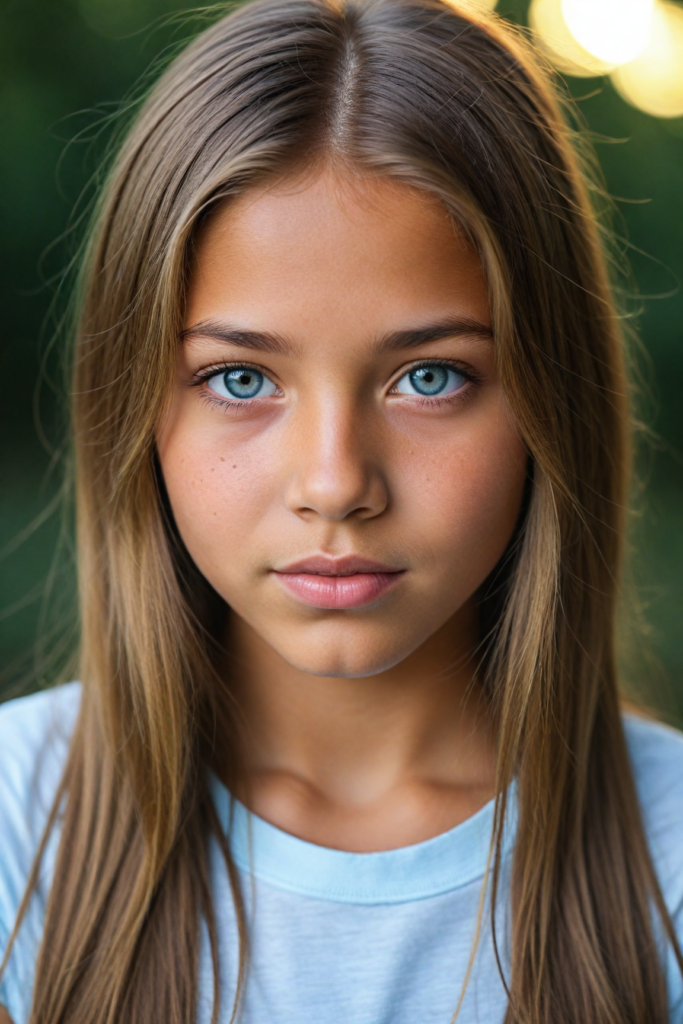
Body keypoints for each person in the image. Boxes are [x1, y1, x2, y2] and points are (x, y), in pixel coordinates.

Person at [1, 0, 682, 1020]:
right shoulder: (18, 836)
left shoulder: (665, 864)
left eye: (427, 377)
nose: (333, 481)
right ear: (133, 408)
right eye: (238, 380)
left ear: (552, 398)